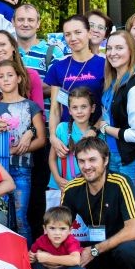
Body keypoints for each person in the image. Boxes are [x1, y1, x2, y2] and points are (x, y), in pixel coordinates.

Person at [61, 137, 135, 269]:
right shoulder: (72, 188)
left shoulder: (120, 182)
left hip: (128, 246)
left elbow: (134, 231)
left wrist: (94, 250)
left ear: (106, 160)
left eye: (92, 160)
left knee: (128, 249)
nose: (86, 166)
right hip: (98, 248)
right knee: (68, 247)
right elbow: (59, 226)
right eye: (81, 161)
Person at [13, 3, 63, 236]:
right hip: (11, 132)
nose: (25, 23)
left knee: (42, 185)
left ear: (38, 23)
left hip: (43, 127)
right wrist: (39, 86)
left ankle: (43, 237)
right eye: (21, 19)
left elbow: (58, 85)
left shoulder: (52, 51)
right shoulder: (6, 49)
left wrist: (16, 89)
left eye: (30, 19)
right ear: (13, 22)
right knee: (18, 186)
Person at [0, 60, 46, 241]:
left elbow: (41, 139)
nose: (6, 80)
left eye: (10, 75)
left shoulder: (30, 106)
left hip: (21, 170)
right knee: (1, 218)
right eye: (1, 77)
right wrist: (5, 151)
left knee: (20, 219)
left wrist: (19, 148)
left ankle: (25, 261)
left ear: (19, 78)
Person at [46, 15, 106, 173]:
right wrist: (53, 137)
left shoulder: (104, 65)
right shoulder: (58, 68)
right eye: (67, 34)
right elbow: (55, 108)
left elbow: (108, 105)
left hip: (97, 137)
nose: (73, 38)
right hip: (67, 139)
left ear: (89, 33)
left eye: (78, 32)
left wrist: (94, 129)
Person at [95, 30, 135, 182]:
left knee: (128, 204)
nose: (112, 53)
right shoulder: (109, 82)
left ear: (131, 51)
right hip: (108, 154)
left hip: (127, 160)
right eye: (109, 48)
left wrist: (105, 129)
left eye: (119, 48)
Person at [29, 206, 99, 269]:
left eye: (62, 228)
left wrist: (48, 258)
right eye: (52, 228)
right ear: (45, 229)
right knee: (37, 267)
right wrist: (34, 257)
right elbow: (29, 255)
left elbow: (75, 260)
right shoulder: (41, 240)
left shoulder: (71, 241)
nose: (57, 233)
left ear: (70, 230)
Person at [0, 29, 44, 118]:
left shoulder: (31, 75)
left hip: (26, 130)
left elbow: (39, 114)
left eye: (2, 44)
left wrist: (31, 131)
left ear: (13, 47)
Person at [50, 88, 99, 192]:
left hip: (86, 188)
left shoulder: (97, 134)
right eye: (75, 107)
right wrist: (58, 179)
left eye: (84, 107)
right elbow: (52, 159)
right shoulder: (61, 129)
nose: (79, 111)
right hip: (59, 186)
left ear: (93, 108)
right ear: (69, 111)